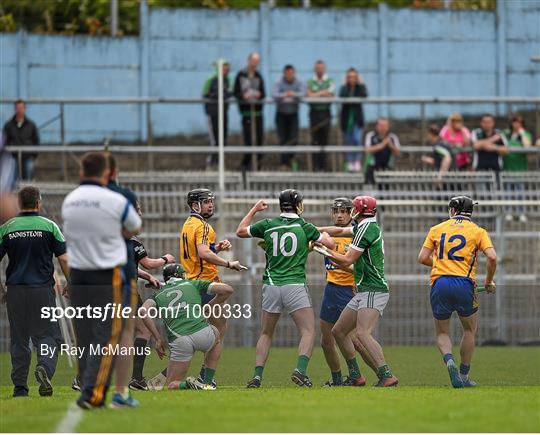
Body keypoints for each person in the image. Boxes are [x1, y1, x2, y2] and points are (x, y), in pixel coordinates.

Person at [61, 151, 141, 410]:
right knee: (108, 334)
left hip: (79, 274)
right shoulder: (115, 200)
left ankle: (85, 384)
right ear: (107, 173)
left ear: (82, 172)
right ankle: (94, 393)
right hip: (108, 273)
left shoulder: (70, 200)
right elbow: (134, 227)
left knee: (84, 334)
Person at [236, 189, 334, 388]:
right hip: (295, 285)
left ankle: (256, 376)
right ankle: (300, 370)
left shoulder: (268, 225)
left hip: (271, 285)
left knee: (266, 333)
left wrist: (255, 209)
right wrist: (317, 238)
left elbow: (240, 231)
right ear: (298, 205)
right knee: (308, 331)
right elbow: (330, 244)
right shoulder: (305, 226)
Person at [318, 196, 399, 387]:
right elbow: (338, 231)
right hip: (364, 290)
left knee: (362, 334)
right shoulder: (364, 226)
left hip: (374, 288)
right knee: (338, 331)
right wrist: (310, 232)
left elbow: (347, 261)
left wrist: (322, 250)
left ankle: (387, 375)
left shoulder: (367, 229)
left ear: (356, 211)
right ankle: (355, 376)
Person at [418, 196, 497, 388]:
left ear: (452, 211)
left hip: (440, 282)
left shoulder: (436, 229)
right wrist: (488, 282)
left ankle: (449, 361)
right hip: (465, 284)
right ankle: (463, 376)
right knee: (469, 329)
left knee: (442, 332)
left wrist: (442, 264)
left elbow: (422, 258)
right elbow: (492, 258)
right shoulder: (479, 231)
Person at [0, 186, 69, 397]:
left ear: (20, 204)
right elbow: (64, 258)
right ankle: (45, 368)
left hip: (16, 291)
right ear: (38, 203)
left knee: (19, 339)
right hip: (42, 291)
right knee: (48, 336)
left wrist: (1, 288)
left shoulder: (7, 228)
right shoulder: (50, 227)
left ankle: (20, 387)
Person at [180, 188, 244, 386]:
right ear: (194, 205)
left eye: (210, 201)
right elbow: (203, 253)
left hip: (191, 283)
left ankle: (197, 375)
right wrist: (228, 263)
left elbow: (200, 252)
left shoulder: (188, 224)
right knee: (217, 334)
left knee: (203, 332)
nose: (210, 204)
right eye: (206, 201)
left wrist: (217, 248)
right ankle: (206, 379)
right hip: (207, 284)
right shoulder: (203, 226)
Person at [140, 263, 234, 390]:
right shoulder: (193, 284)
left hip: (179, 340)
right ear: (182, 275)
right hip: (203, 334)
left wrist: (157, 338)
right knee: (217, 338)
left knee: (172, 385)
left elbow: (143, 312)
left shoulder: (157, 295)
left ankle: (185, 384)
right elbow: (227, 289)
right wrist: (210, 305)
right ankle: (206, 382)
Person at [129, 201, 176, 391]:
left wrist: (145, 275)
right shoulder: (132, 242)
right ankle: (136, 378)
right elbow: (147, 263)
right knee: (143, 331)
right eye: (138, 210)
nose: (141, 214)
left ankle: (82, 379)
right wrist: (166, 259)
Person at [234, 52, 265, 171]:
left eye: (257, 62)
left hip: (257, 113)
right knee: (248, 141)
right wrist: (243, 97)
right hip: (246, 113)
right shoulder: (241, 75)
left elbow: (263, 93)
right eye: (253, 61)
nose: (255, 64)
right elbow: (236, 92)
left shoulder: (259, 75)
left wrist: (259, 95)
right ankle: (245, 167)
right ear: (248, 61)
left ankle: (258, 166)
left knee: (259, 140)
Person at [272, 64, 305, 170]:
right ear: (284, 73)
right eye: (287, 73)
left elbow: (303, 93)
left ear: (294, 73)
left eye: (291, 73)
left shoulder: (298, 82)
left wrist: (293, 94)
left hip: (293, 113)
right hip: (281, 114)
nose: (289, 75)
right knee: (282, 139)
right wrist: (284, 95)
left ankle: (289, 159)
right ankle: (284, 163)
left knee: (293, 138)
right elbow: (274, 94)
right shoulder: (279, 82)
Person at [202, 59, 233, 169]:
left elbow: (229, 93)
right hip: (213, 112)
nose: (225, 71)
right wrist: (218, 95)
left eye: (227, 69)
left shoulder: (228, 80)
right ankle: (211, 163)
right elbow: (206, 94)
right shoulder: (211, 79)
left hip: (223, 112)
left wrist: (223, 95)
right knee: (214, 140)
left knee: (223, 139)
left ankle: (220, 163)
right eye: (223, 69)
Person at [502, 113, 532, 223]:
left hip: (520, 169)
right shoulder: (506, 134)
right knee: (508, 192)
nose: (517, 124)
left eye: (519, 122)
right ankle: (508, 212)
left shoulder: (526, 134)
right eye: (515, 121)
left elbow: (527, 146)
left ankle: (521, 213)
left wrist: (522, 133)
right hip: (507, 168)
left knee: (520, 192)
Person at [307, 60, 335, 171]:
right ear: (315, 69)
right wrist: (322, 93)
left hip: (325, 112)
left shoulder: (330, 80)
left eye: (321, 68)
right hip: (314, 112)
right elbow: (309, 95)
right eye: (317, 68)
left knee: (325, 140)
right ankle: (315, 167)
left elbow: (331, 94)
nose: (319, 70)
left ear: (324, 69)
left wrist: (316, 94)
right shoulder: (310, 81)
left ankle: (323, 166)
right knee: (314, 140)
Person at [339, 68, 368, 172]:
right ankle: (350, 161)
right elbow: (342, 95)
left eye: (354, 77)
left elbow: (364, 94)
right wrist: (343, 84)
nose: (352, 79)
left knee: (357, 139)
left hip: (357, 119)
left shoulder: (359, 88)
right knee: (348, 140)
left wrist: (362, 83)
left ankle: (357, 161)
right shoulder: (345, 88)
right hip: (346, 119)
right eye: (350, 77)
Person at [3, 100, 40, 180]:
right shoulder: (8, 125)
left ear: (25, 109)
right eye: (18, 108)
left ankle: (28, 191)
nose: (20, 110)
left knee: (28, 178)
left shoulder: (31, 125)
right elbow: (4, 141)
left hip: (28, 157)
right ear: (15, 109)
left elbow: (36, 141)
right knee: (11, 180)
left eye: (21, 107)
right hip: (13, 158)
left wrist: (33, 155)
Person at [364, 117, 401, 184]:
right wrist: (382, 145)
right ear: (377, 126)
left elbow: (398, 153)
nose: (382, 128)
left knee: (386, 187)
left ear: (388, 127)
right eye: (381, 125)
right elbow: (367, 150)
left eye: (384, 126)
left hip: (387, 166)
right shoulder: (370, 135)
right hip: (372, 166)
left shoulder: (393, 137)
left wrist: (390, 145)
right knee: (370, 186)